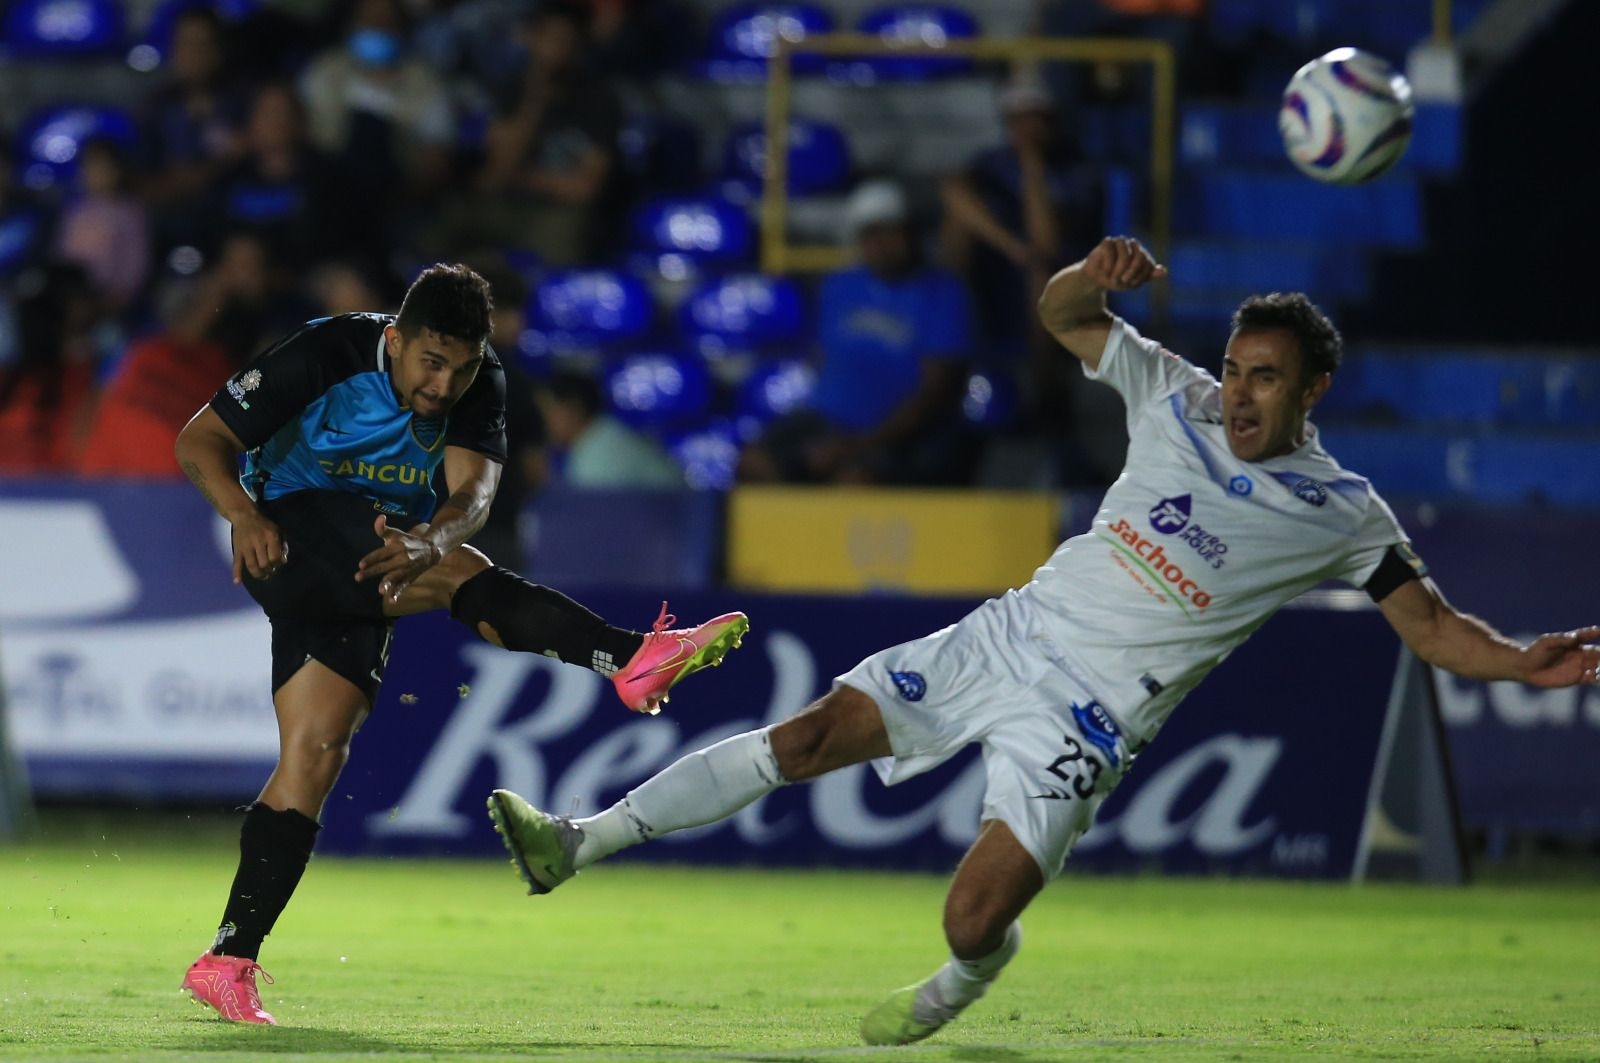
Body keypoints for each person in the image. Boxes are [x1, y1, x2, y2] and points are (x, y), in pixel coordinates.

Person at [485, 236, 1600, 1045]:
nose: (1242, 391)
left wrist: (1519, 657)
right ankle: (575, 843)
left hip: (1090, 717)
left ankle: (978, 973)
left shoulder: (1342, 511)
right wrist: (1089, 272)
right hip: (1006, 636)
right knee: (812, 732)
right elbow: (1064, 316)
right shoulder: (1175, 397)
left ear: (1314, 387)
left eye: (1266, 377)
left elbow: (1434, 628)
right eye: (1237, 366)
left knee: (970, 917)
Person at [172, 263, 748, 1024]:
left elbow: (473, 495)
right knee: (449, 577)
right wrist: (244, 516)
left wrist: (428, 539)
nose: (444, 385)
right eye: (430, 362)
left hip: (384, 548)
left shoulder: (482, 383)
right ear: (397, 337)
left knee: (315, 752)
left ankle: (227, 957)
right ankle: (630, 656)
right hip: (289, 526)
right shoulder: (327, 352)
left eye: (462, 367)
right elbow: (199, 439)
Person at [739, 179, 974, 486]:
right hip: (826, 420)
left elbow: (935, 392)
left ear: (910, 232)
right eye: (870, 234)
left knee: (856, 482)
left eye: (891, 231)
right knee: (754, 463)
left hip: (898, 434)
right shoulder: (838, 287)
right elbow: (822, 359)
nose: (882, 244)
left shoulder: (944, 294)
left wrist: (859, 445)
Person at [538, 370, 684, 489]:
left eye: (547, 409)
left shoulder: (601, 453)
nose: (542, 420)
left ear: (574, 408)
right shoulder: (602, 435)